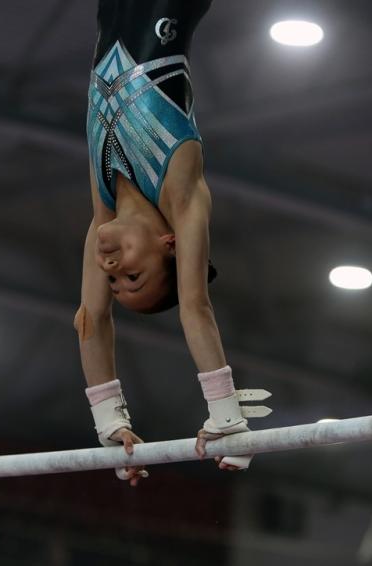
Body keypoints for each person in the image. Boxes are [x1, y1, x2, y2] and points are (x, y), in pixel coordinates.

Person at [75, 0, 270, 487]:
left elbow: (90, 319)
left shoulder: (104, 209)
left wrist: (109, 424)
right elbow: (194, 305)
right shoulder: (183, 195)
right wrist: (225, 413)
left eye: (113, 281)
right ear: (170, 244)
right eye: (132, 275)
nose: (110, 267)